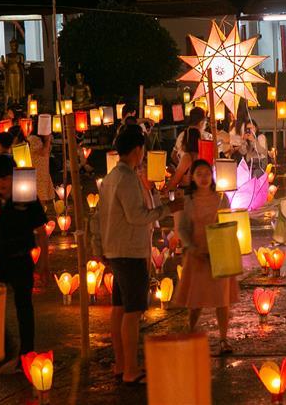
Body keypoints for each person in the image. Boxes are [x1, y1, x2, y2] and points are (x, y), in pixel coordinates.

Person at [96, 128, 181, 384]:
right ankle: (131, 368)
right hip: (130, 251)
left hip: (114, 249)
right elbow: (137, 216)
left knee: (120, 309)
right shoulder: (127, 179)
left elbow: (100, 217)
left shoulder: (111, 177)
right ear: (137, 150)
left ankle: (121, 364)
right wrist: (167, 209)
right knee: (132, 312)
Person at [0, 155, 49, 366]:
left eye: (5, 178)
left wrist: (44, 262)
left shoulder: (26, 197)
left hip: (21, 259)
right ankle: (0, 349)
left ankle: (26, 353)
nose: (1, 184)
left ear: (15, 177)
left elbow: (41, 231)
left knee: (24, 306)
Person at [174, 160, 239, 355]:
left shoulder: (221, 198)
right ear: (192, 177)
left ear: (212, 176)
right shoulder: (189, 201)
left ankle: (223, 338)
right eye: (199, 174)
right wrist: (191, 247)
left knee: (222, 300)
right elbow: (183, 229)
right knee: (196, 300)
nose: (203, 178)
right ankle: (190, 330)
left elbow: (228, 222)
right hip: (197, 254)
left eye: (206, 173)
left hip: (219, 253)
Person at [27, 128, 55, 215]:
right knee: (38, 199)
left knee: (41, 200)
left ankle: (40, 221)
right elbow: (43, 152)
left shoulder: (42, 139)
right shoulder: (33, 139)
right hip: (36, 173)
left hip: (43, 172)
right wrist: (47, 139)